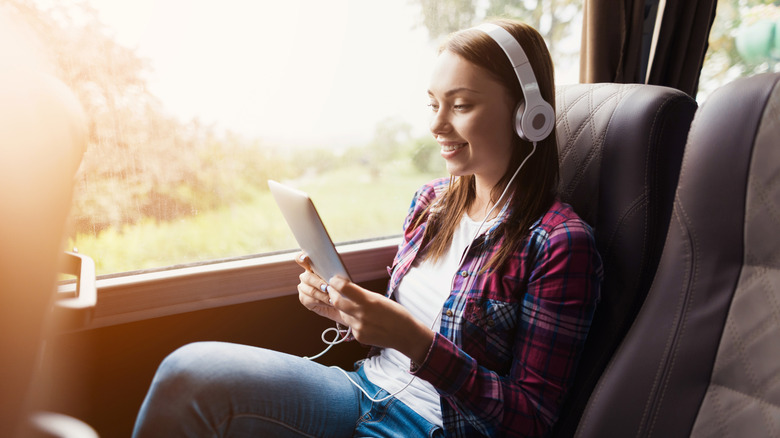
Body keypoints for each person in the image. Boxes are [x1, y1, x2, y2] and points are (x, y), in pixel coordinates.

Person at [132, 18, 602, 437]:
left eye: (460, 105)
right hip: (364, 389)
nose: (437, 125)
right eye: (433, 103)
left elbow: (532, 418)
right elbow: (395, 332)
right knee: (188, 373)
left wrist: (414, 341)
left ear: (528, 115)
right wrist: (348, 311)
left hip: (436, 426)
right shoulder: (432, 203)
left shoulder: (560, 243)